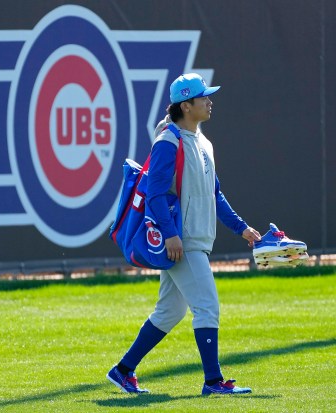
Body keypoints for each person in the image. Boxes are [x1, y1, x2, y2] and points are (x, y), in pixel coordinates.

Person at [106, 73, 262, 396]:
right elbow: (156, 194)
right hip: (182, 243)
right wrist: (171, 234)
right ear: (186, 105)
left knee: (170, 311)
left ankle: (123, 370)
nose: (209, 101)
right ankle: (213, 382)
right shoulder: (168, 141)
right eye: (203, 97)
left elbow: (215, 194)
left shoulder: (204, 142)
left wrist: (242, 228)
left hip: (192, 240)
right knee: (207, 306)